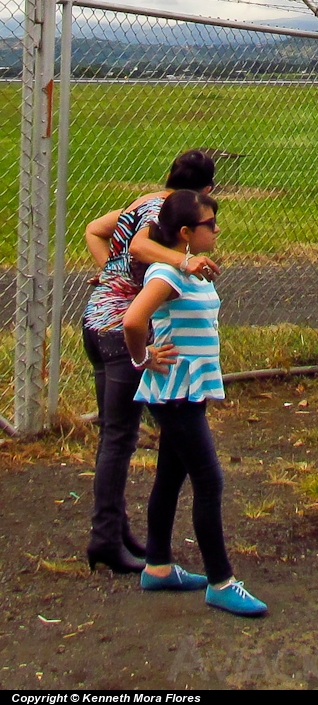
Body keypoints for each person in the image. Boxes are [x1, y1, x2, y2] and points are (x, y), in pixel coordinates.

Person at [123, 190, 267, 616]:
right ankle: (221, 581)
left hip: (189, 389)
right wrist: (142, 357)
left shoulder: (190, 271)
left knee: (170, 476)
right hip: (175, 394)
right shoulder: (166, 275)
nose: (217, 229)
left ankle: (158, 566)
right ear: (185, 233)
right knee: (209, 481)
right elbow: (133, 320)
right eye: (210, 224)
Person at [83, 149, 220, 574]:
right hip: (121, 326)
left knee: (113, 434)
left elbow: (94, 229)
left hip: (95, 319)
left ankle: (116, 528)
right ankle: (106, 538)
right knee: (120, 436)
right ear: (205, 192)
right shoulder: (163, 211)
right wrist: (182, 260)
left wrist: (112, 270)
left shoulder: (141, 200)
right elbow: (142, 246)